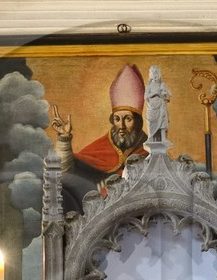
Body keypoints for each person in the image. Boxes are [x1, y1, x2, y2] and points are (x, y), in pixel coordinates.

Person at [49, 62, 148, 198]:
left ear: (137, 122)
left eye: (128, 119)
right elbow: (65, 172)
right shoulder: (102, 147)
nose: (122, 126)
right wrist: (64, 138)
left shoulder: (149, 151)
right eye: (117, 119)